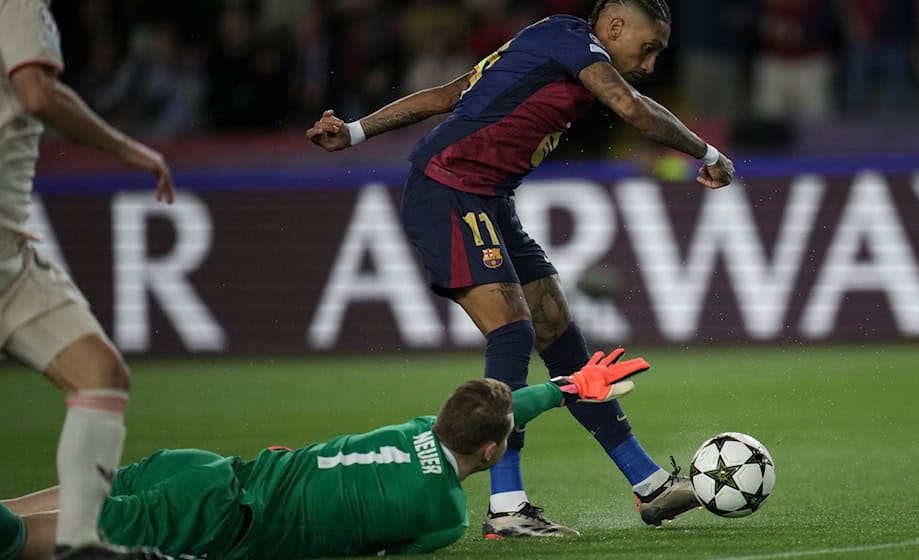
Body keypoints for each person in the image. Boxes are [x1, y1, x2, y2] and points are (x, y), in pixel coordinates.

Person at [307, 0, 735, 538]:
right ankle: (507, 507)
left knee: (557, 327)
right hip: (448, 188)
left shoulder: (546, 45)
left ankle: (648, 484)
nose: (650, 64)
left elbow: (447, 94)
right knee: (512, 331)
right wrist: (709, 153)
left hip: (490, 198)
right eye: (648, 48)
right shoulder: (571, 41)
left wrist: (355, 130)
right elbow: (632, 108)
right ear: (616, 25)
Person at [4, 349, 650, 559]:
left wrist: (566, 388)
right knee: (19, 542)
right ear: (488, 451)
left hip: (203, 468)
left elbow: (505, 410)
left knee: (19, 514)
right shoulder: (443, 516)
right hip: (220, 517)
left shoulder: (420, 429)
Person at [0, 0, 175, 558]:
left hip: (8, 251)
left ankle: (80, 544)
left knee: (99, 373)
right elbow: (35, 93)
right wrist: (125, 148)